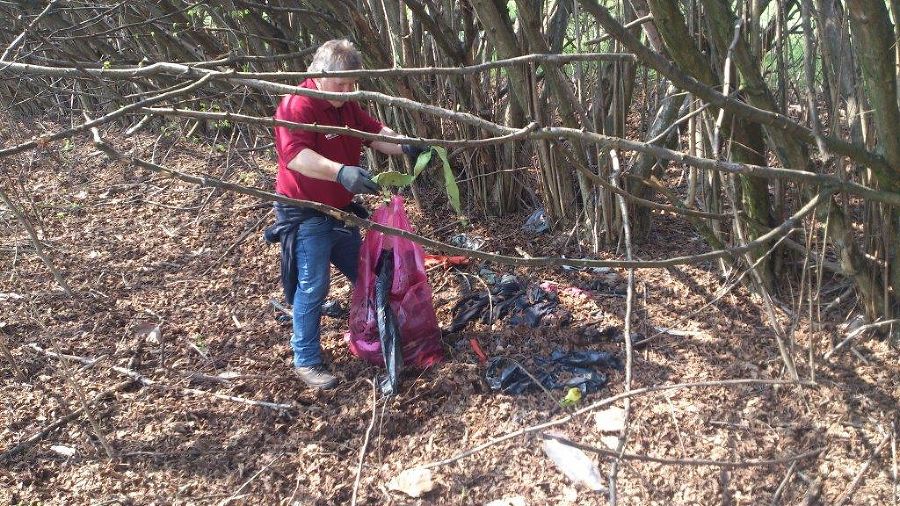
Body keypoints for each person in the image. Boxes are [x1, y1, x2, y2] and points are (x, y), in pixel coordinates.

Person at [266, 39, 425, 389]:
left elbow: (374, 133)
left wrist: (407, 145)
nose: (349, 91)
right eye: (342, 84)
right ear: (320, 75)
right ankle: (305, 360)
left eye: (353, 85)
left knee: (366, 274)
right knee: (314, 285)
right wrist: (341, 172)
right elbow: (295, 157)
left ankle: (375, 335)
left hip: (341, 212)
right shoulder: (296, 105)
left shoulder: (345, 104)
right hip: (305, 211)